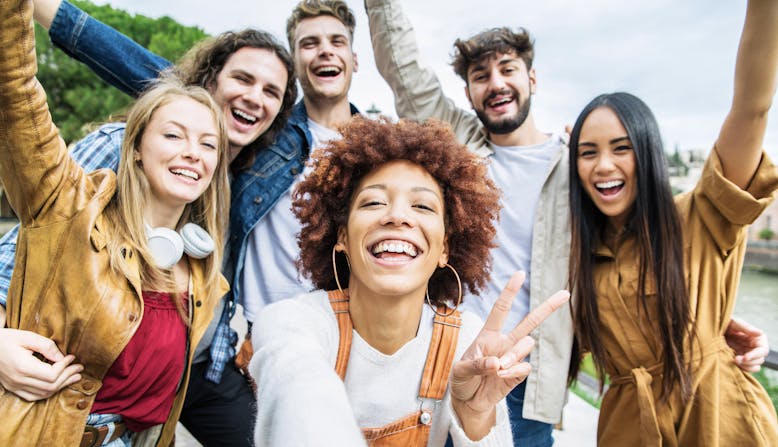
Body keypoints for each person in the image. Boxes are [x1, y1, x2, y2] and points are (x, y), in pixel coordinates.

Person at [365, 1, 774, 444]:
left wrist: (704, 318)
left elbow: (646, 243)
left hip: (527, 380)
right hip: (443, 362)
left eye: (508, 69)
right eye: (481, 76)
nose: (496, 83)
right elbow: (406, 73)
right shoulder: (459, 149)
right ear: (468, 94)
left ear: (533, 78)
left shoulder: (576, 171)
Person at [0, 0, 296, 444]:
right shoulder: (76, 203)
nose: (192, 152)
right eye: (174, 135)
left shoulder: (200, 261)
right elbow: (17, 96)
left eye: (206, 145)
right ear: (135, 147)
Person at [249, 116, 570, 446]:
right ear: (341, 235)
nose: (397, 216)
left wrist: (476, 418)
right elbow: (298, 393)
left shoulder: (467, 344)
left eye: (422, 206)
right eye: (374, 202)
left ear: (445, 247)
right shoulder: (291, 323)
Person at [566, 0, 778, 445]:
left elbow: (751, 109)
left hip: (719, 419)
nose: (604, 165)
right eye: (588, 153)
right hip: (629, 428)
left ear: (648, 153)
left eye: (621, 148)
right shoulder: (580, 255)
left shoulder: (703, 215)